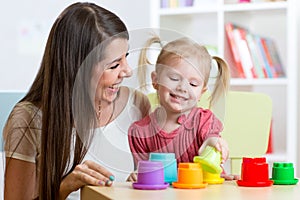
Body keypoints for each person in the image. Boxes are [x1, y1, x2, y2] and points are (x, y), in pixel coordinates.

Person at [3, 2, 150, 200]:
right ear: (78, 69)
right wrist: (66, 186)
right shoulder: (28, 118)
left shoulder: (137, 104)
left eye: (126, 57)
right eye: (114, 65)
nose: (127, 71)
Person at [128, 36, 234, 179]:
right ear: (155, 80)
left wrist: (214, 143)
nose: (183, 87)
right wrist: (137, 176)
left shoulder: (203, 120)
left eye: (193, 84)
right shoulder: (140, 132)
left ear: (201, 92)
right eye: (174, 78)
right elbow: (143, 176)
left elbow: (211, 138)